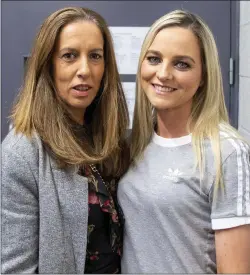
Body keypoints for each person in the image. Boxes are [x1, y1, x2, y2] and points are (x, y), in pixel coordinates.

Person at [117, 9, 250, 274]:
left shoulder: (226, 152)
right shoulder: (133, 143)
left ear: (203, 77)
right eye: (154, 59)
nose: (163, 74)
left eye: (182, 64)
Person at [2, 7, 129, 274]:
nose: (85, 69)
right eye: (69, 56)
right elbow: (16, 268)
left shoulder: (110, 139)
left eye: (95, 56)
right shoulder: (22, 152)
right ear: (47, 64)